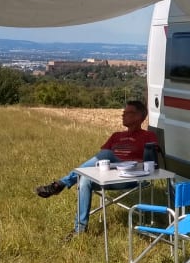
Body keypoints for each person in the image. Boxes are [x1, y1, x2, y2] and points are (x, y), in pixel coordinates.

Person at [35, 100, 159, 241]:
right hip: (108, 176)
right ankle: (80, 230)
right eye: (123, 113)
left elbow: (151, 162)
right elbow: (98, 160)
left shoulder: (148, 136)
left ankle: (61, 184)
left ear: (139, 117)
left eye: (127, 113)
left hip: (130, 177)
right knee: (85, 179)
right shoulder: (116, 136)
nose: (123, 115)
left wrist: (131, 162)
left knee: (106, 154)